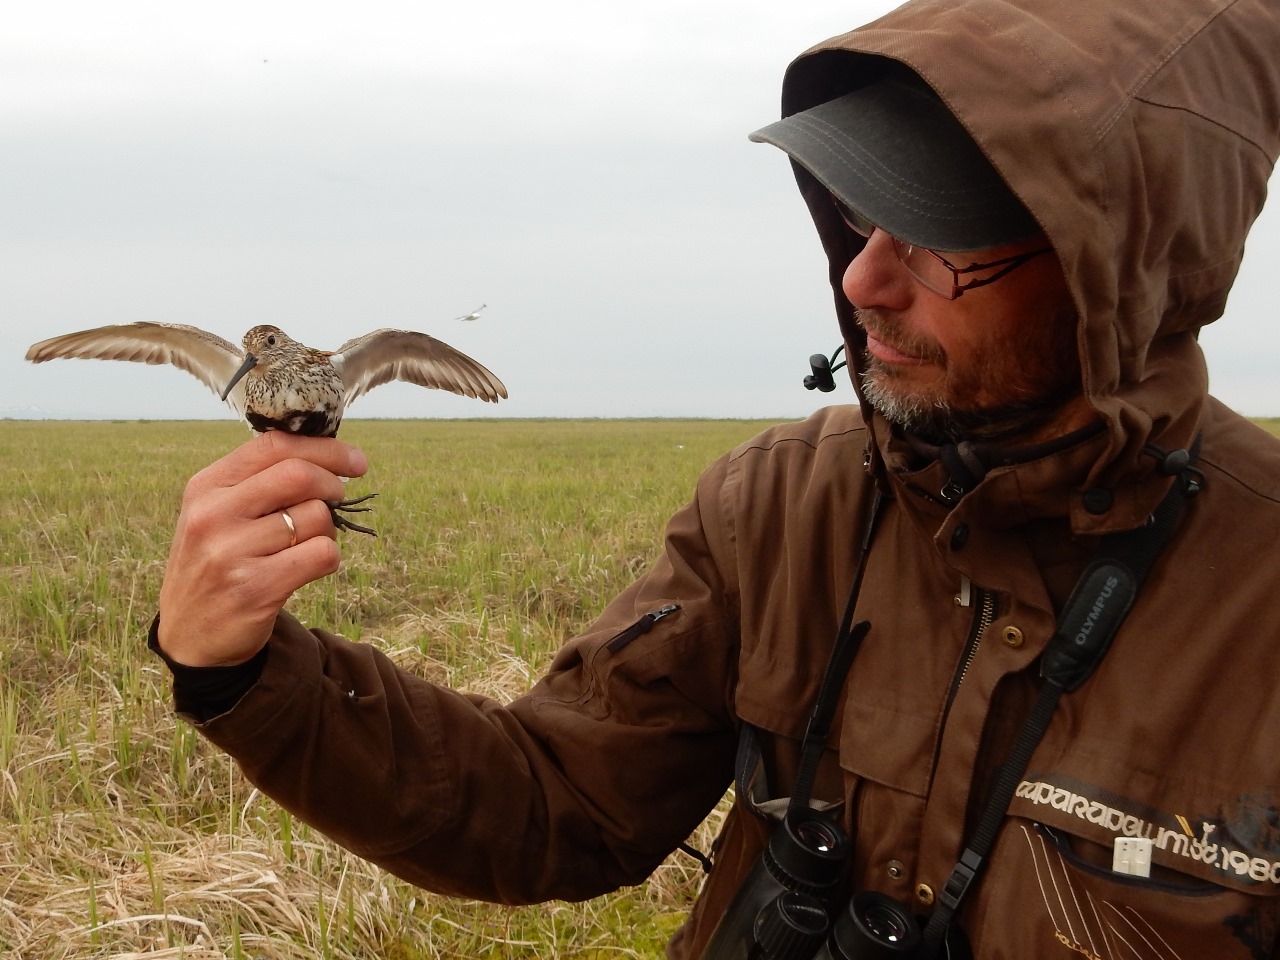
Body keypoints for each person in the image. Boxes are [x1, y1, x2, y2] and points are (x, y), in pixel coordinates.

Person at [150, 0, 1280, 956]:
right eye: (854, 211)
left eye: (936, 239)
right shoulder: (785, 505)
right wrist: (244, 670)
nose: (867, 277)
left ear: (1122, 272)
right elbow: (558, 805)